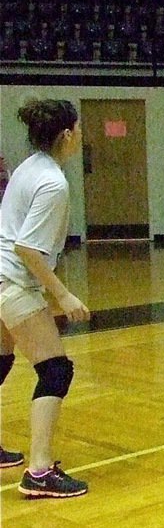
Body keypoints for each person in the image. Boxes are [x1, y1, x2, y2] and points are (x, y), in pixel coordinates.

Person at [0, 98, 90, 497]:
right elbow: (27, 249)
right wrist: (63, 295)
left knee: (1, 360)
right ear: (67, 134)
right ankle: (38, 472)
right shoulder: (53, 182)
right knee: (56, 370)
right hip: (12, 282)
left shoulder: (29, 165)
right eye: (79, 128)